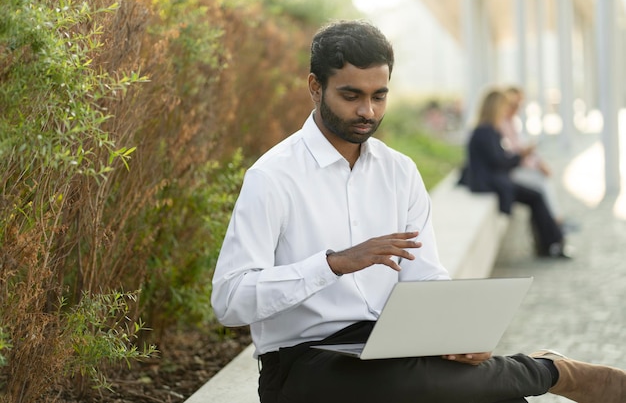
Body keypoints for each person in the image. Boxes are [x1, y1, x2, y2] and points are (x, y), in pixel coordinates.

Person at [211, 20, 626, 403]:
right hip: (304, 363)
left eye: (379, 95)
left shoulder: (399, 172)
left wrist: (458, 336)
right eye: (351, 95)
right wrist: (333, 264)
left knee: (496, 398)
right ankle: (550, 372)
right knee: (396, 384)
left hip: (396, 351)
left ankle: (533, 374)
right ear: (315, 87)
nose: (368, 112)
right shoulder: (273, 177)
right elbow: (229, 301)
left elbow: (426, 276)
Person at [462, 89, 569, 258]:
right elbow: (499, 162)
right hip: (489, 183)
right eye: (504, 107)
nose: (506, 111)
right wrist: (521, 156)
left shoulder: (487, 130)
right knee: (536, 195)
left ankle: (550, 242)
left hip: (492, 180)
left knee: (536, 195)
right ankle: (552, 242)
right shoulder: (486, 131)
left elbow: (498, 161)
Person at [500, 86, 564, 225]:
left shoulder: (512, 122)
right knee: (540, 185)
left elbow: (521, 149)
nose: (517, 108)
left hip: (519, 167)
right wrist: (532, 160)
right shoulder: (501, 124)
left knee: (542, 181)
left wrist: (538, 163)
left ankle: (555, 222)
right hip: (510, 171)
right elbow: (511, 155)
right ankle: (554, 222)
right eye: (514, 104)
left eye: (519, 104)